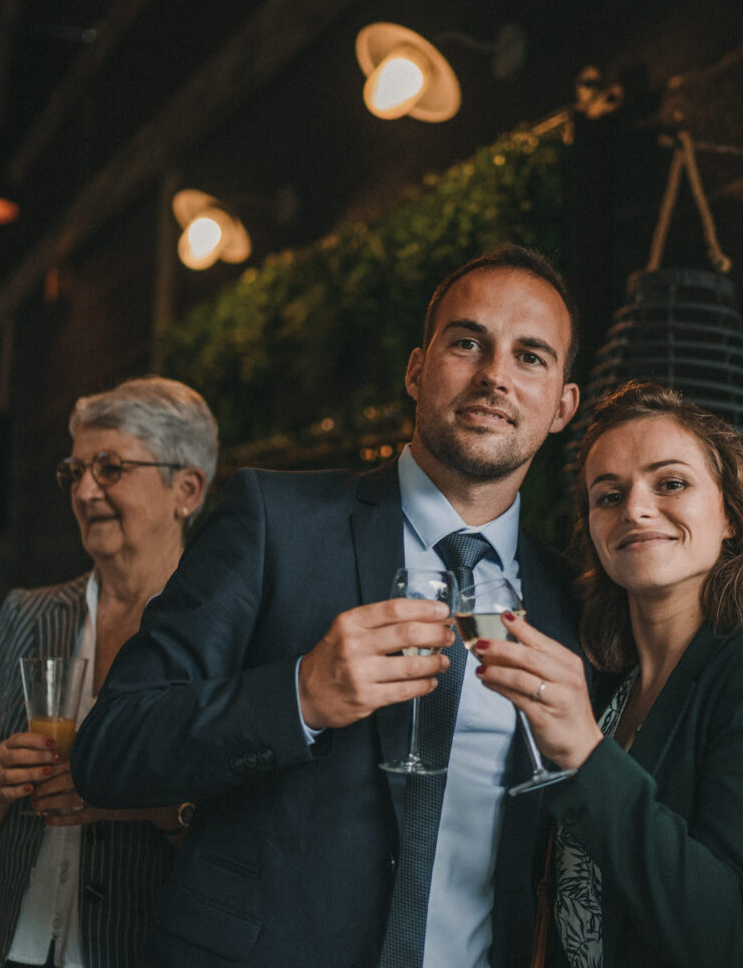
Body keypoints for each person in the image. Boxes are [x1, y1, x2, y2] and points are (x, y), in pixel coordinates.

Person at [71, 245, 585, 968]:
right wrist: (299, 696)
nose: (495, 374)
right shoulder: (273, 522)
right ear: (416, 369)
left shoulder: (572, 601)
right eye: (467, 342)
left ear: (562, 405)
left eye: (530, 356)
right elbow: (109, 749)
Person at [474, 380, 743, 967]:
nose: (636, 509)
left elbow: (734, 941)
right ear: (595, 534)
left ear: (732, 518)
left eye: (670, 483)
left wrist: (587, 756)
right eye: (608, 495)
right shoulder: (601, 687)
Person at [0, 377, 219, 968]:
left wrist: (135, 804)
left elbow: (251, 836)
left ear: (186, 489)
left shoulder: (222, 632)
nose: (86, 491)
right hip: (2, 946)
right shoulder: (28, 614)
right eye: (75, 472)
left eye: (110, 468)